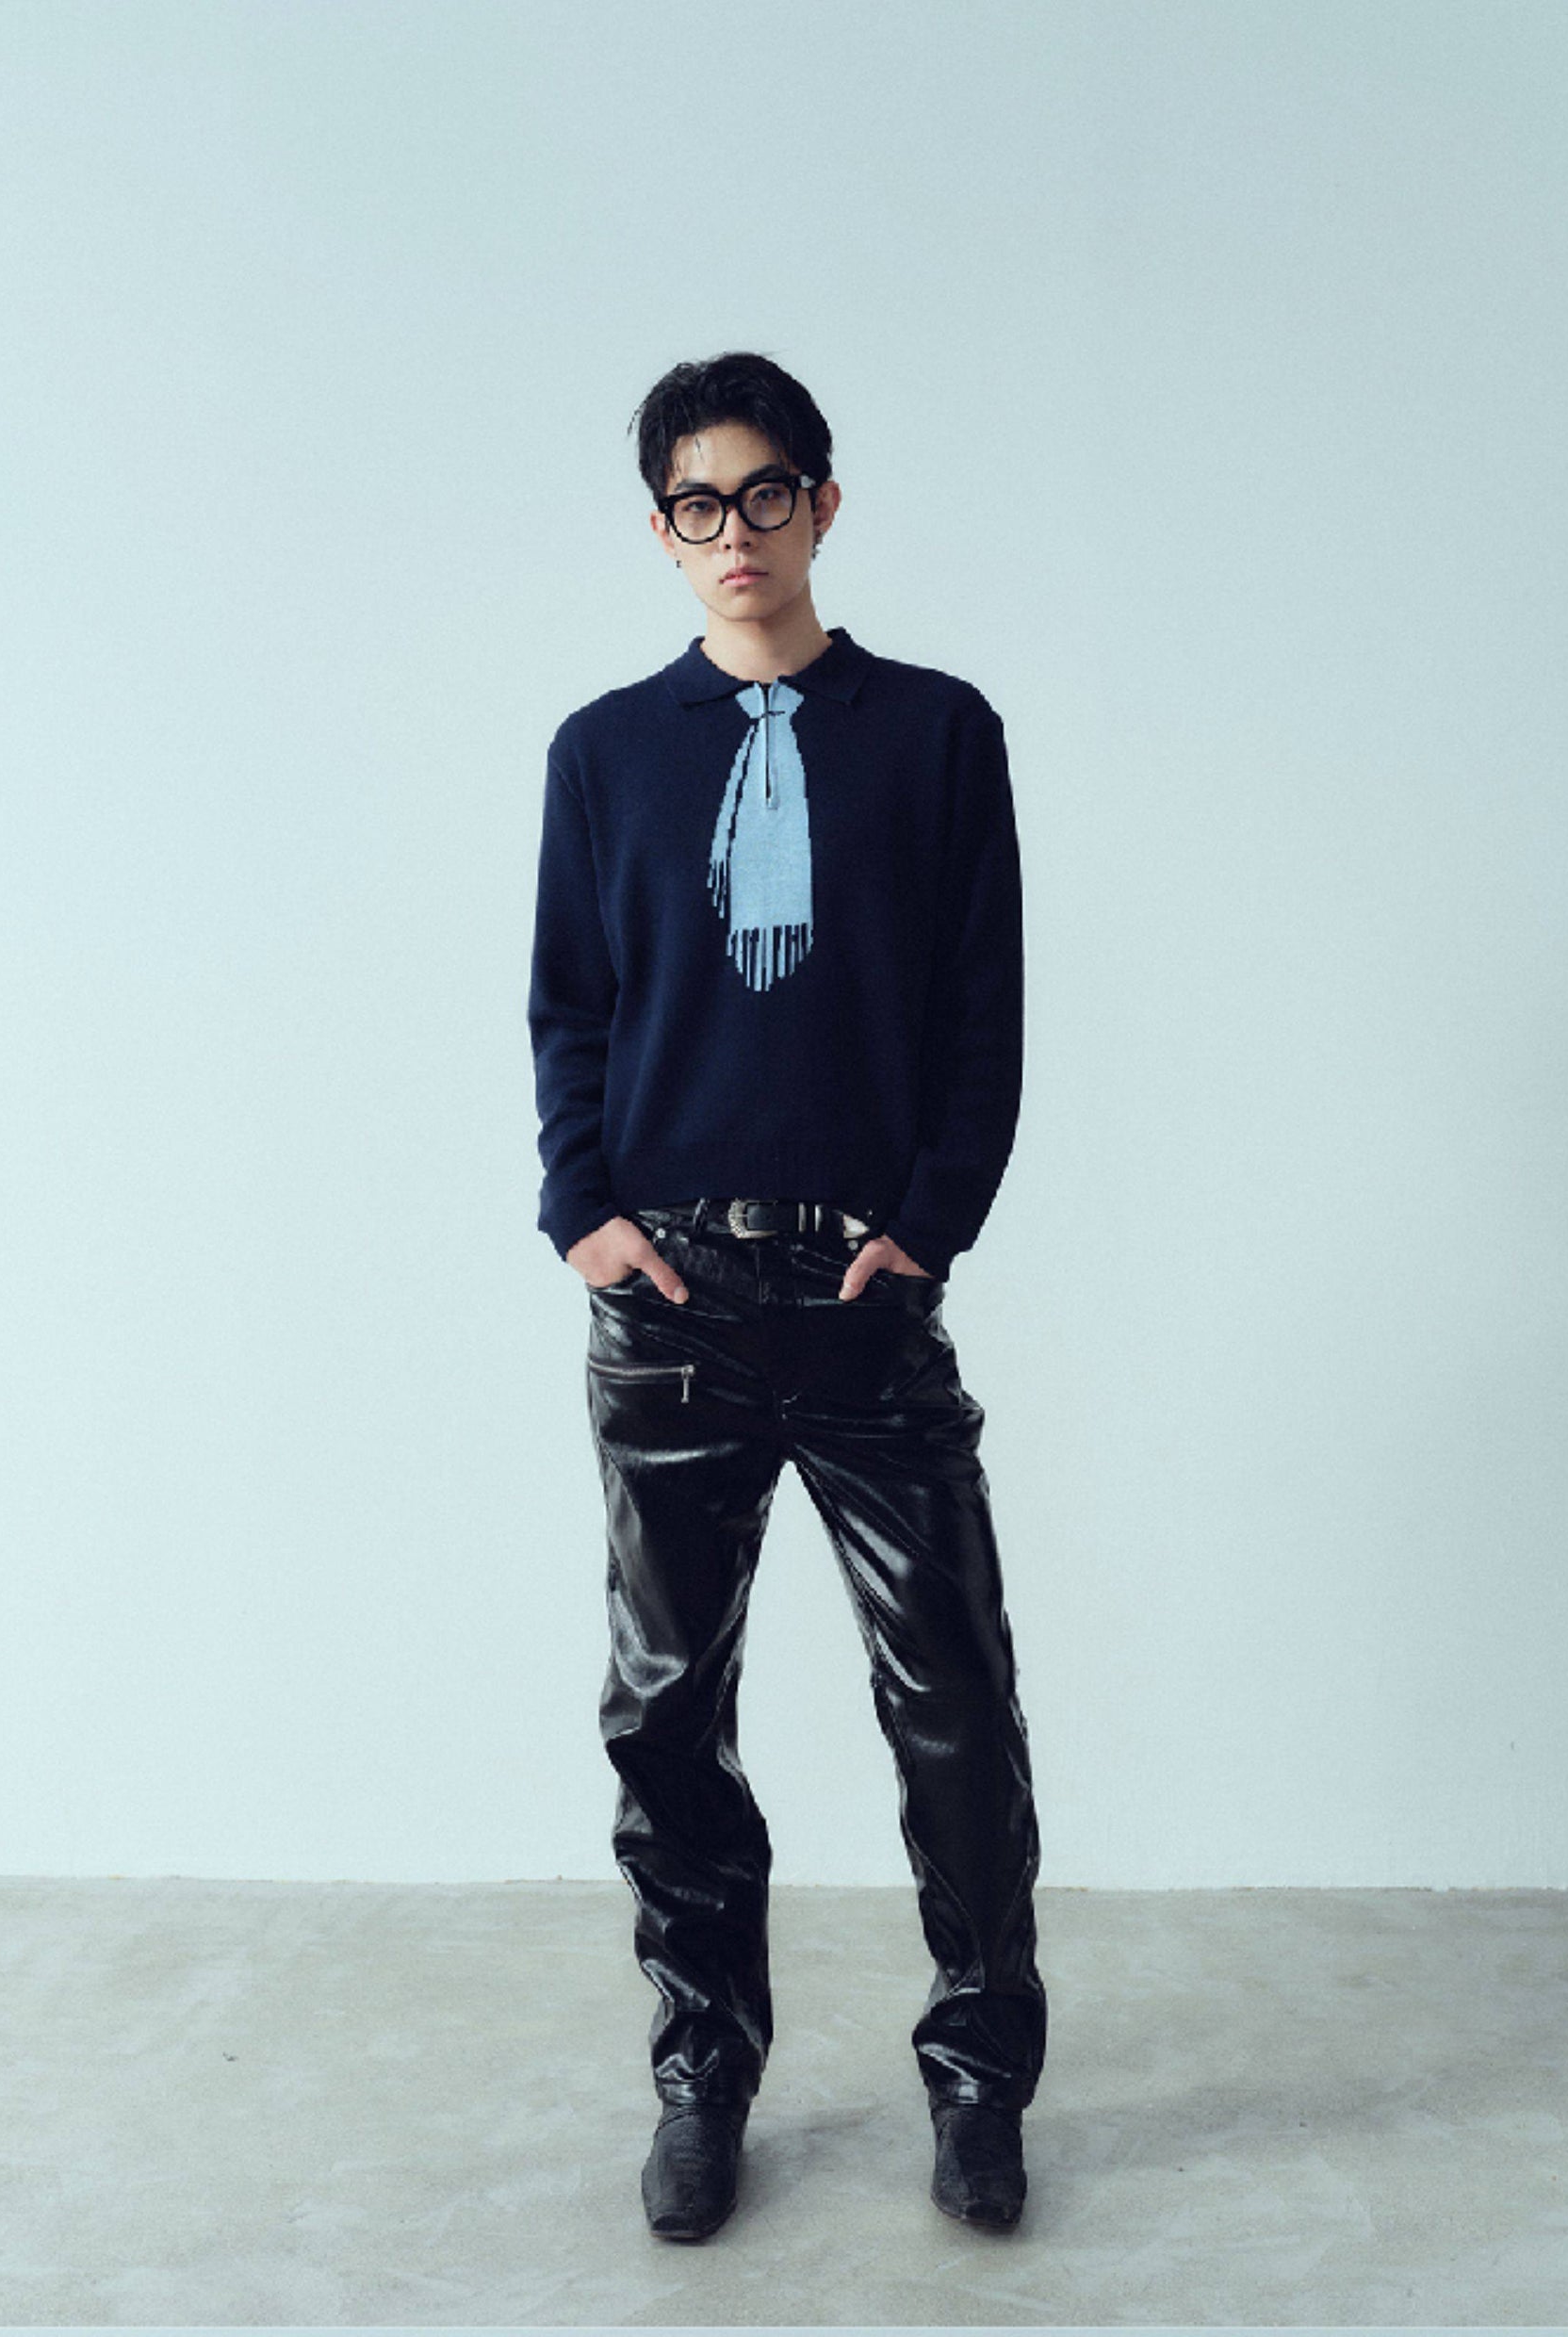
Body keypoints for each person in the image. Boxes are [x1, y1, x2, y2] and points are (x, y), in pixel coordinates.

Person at [526, 351, 1045, 2241]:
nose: (731, 534)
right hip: (670, 1290)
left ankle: (978, 2081)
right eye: (695, 505)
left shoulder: (935, 733)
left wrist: (929, 1224)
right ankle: (702, 2075)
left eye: (763, 495)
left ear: (821, 503)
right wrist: (583, 1213)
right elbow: (570, 1007)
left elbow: (981, 1007)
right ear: (661, 531)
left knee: (953, 1694)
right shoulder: (605, 753)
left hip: (858, 1287)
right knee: (666, 1712)